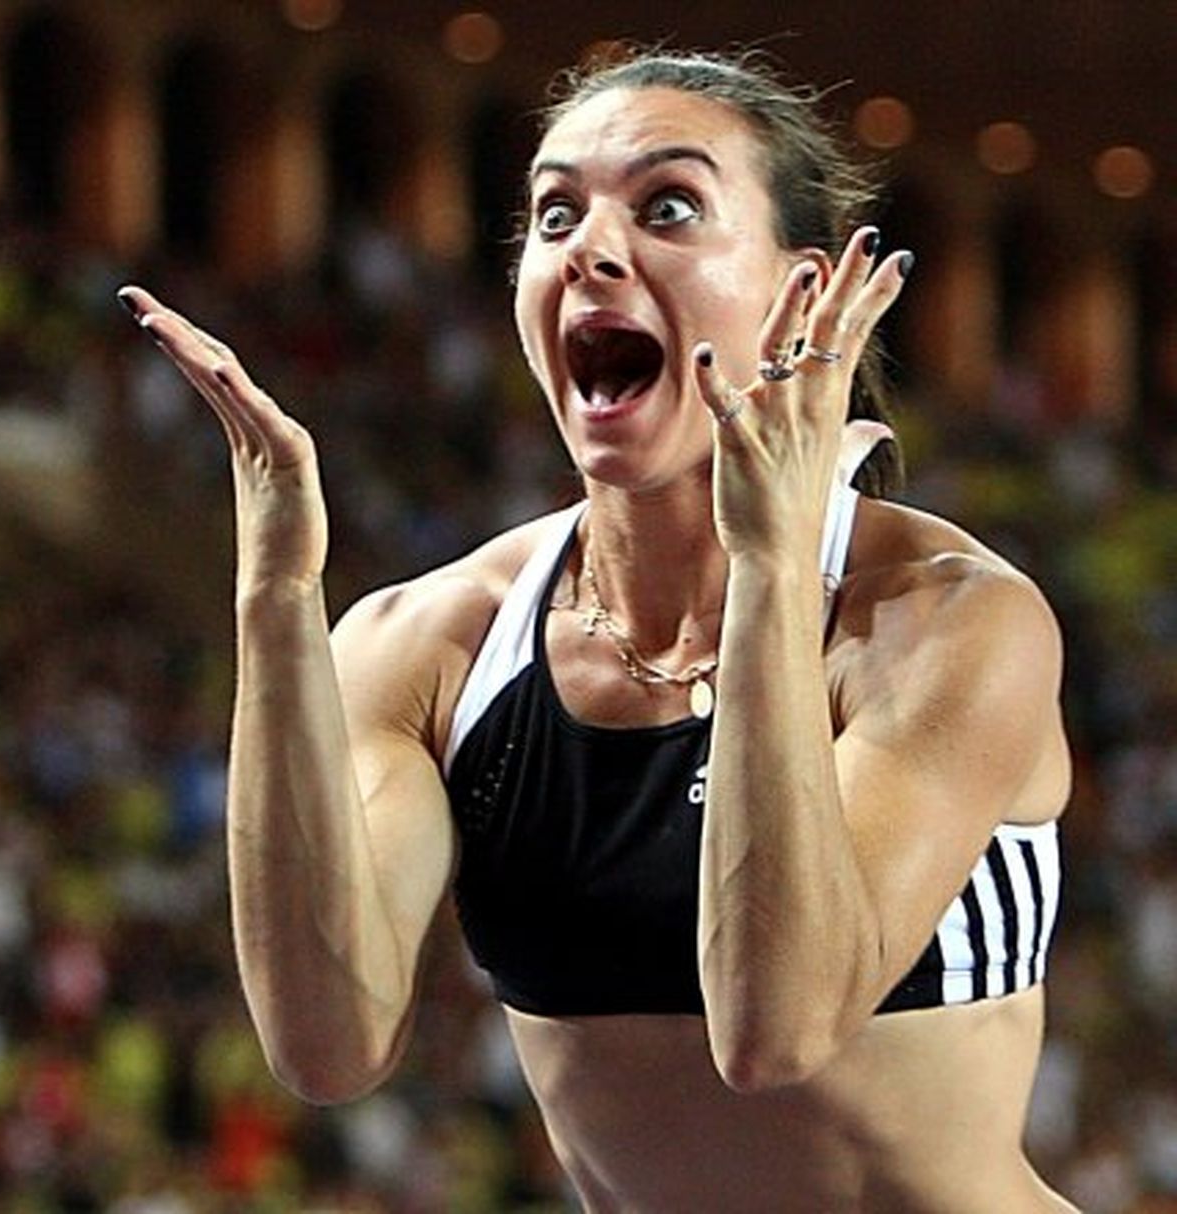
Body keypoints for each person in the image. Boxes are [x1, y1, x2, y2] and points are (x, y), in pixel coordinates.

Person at [117, 46, 1076, 1214]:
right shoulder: (434, 644)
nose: (591, 249)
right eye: (555, 213)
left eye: (667, 207)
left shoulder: (948, 619)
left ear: (803, 294)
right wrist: (276, 603)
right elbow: (327, 1044)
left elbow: (776, 1025)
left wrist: (771, 569)